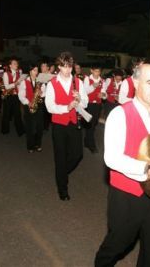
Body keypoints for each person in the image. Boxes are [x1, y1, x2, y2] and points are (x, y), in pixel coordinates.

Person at [95, 64, 150, 267]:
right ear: (136, 83)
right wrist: (146, 169)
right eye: (149, 83)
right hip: (126, 194)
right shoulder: (119, 114)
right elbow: (111, 158)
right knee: (118, 244)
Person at [45, 52, 88, 201]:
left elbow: (85, 103)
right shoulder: (52, 83)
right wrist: (67, 107)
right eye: (64, 66)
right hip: (59, 125)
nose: (68, 69)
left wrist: (80, 99)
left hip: (74, 123)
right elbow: (50, 107)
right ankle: (62, 189)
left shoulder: (78, 82)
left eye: (69, 66)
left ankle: (61, 173)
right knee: (60, 157)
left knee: (78, 155)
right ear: (59, 67)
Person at [18, 64, 45, 153]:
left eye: (37, 70)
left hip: (39, 106)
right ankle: (30, 146)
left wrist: (41, 93)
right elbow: (21, 96)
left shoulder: (40, 81)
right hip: (29, 106)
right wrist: (28, 103)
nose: (36, 72)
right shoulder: (24, 82)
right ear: (30, 71)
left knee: (39, 127)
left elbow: (45, 93)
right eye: (34, 70)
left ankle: (38, 144)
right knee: (30, 127)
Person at [1, 59, 25, 136]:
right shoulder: (6, 74)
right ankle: (5, 130)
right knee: (6, 114)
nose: (16, 65)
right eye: (14, 64)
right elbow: (7, 86)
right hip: (8, 96)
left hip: (16, 96)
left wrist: (21, 84)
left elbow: (20, 86)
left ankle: (20, 131)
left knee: (17, 114)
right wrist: (16, 83)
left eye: (17, 64)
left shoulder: (19, 74)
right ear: (10, 65)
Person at [83, 66, 104, 153]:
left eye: (99, 71)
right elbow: (84, 91)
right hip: (89, 104)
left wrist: (103, 95)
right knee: (91, 124)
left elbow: (104, 91)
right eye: (96, 71)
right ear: (91, 70)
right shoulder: (87, 79)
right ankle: (92, 145)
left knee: (93, 124)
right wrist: (93, 86)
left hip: (98, 104)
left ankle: (87, 140)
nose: (97, 73)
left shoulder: (102, 80)